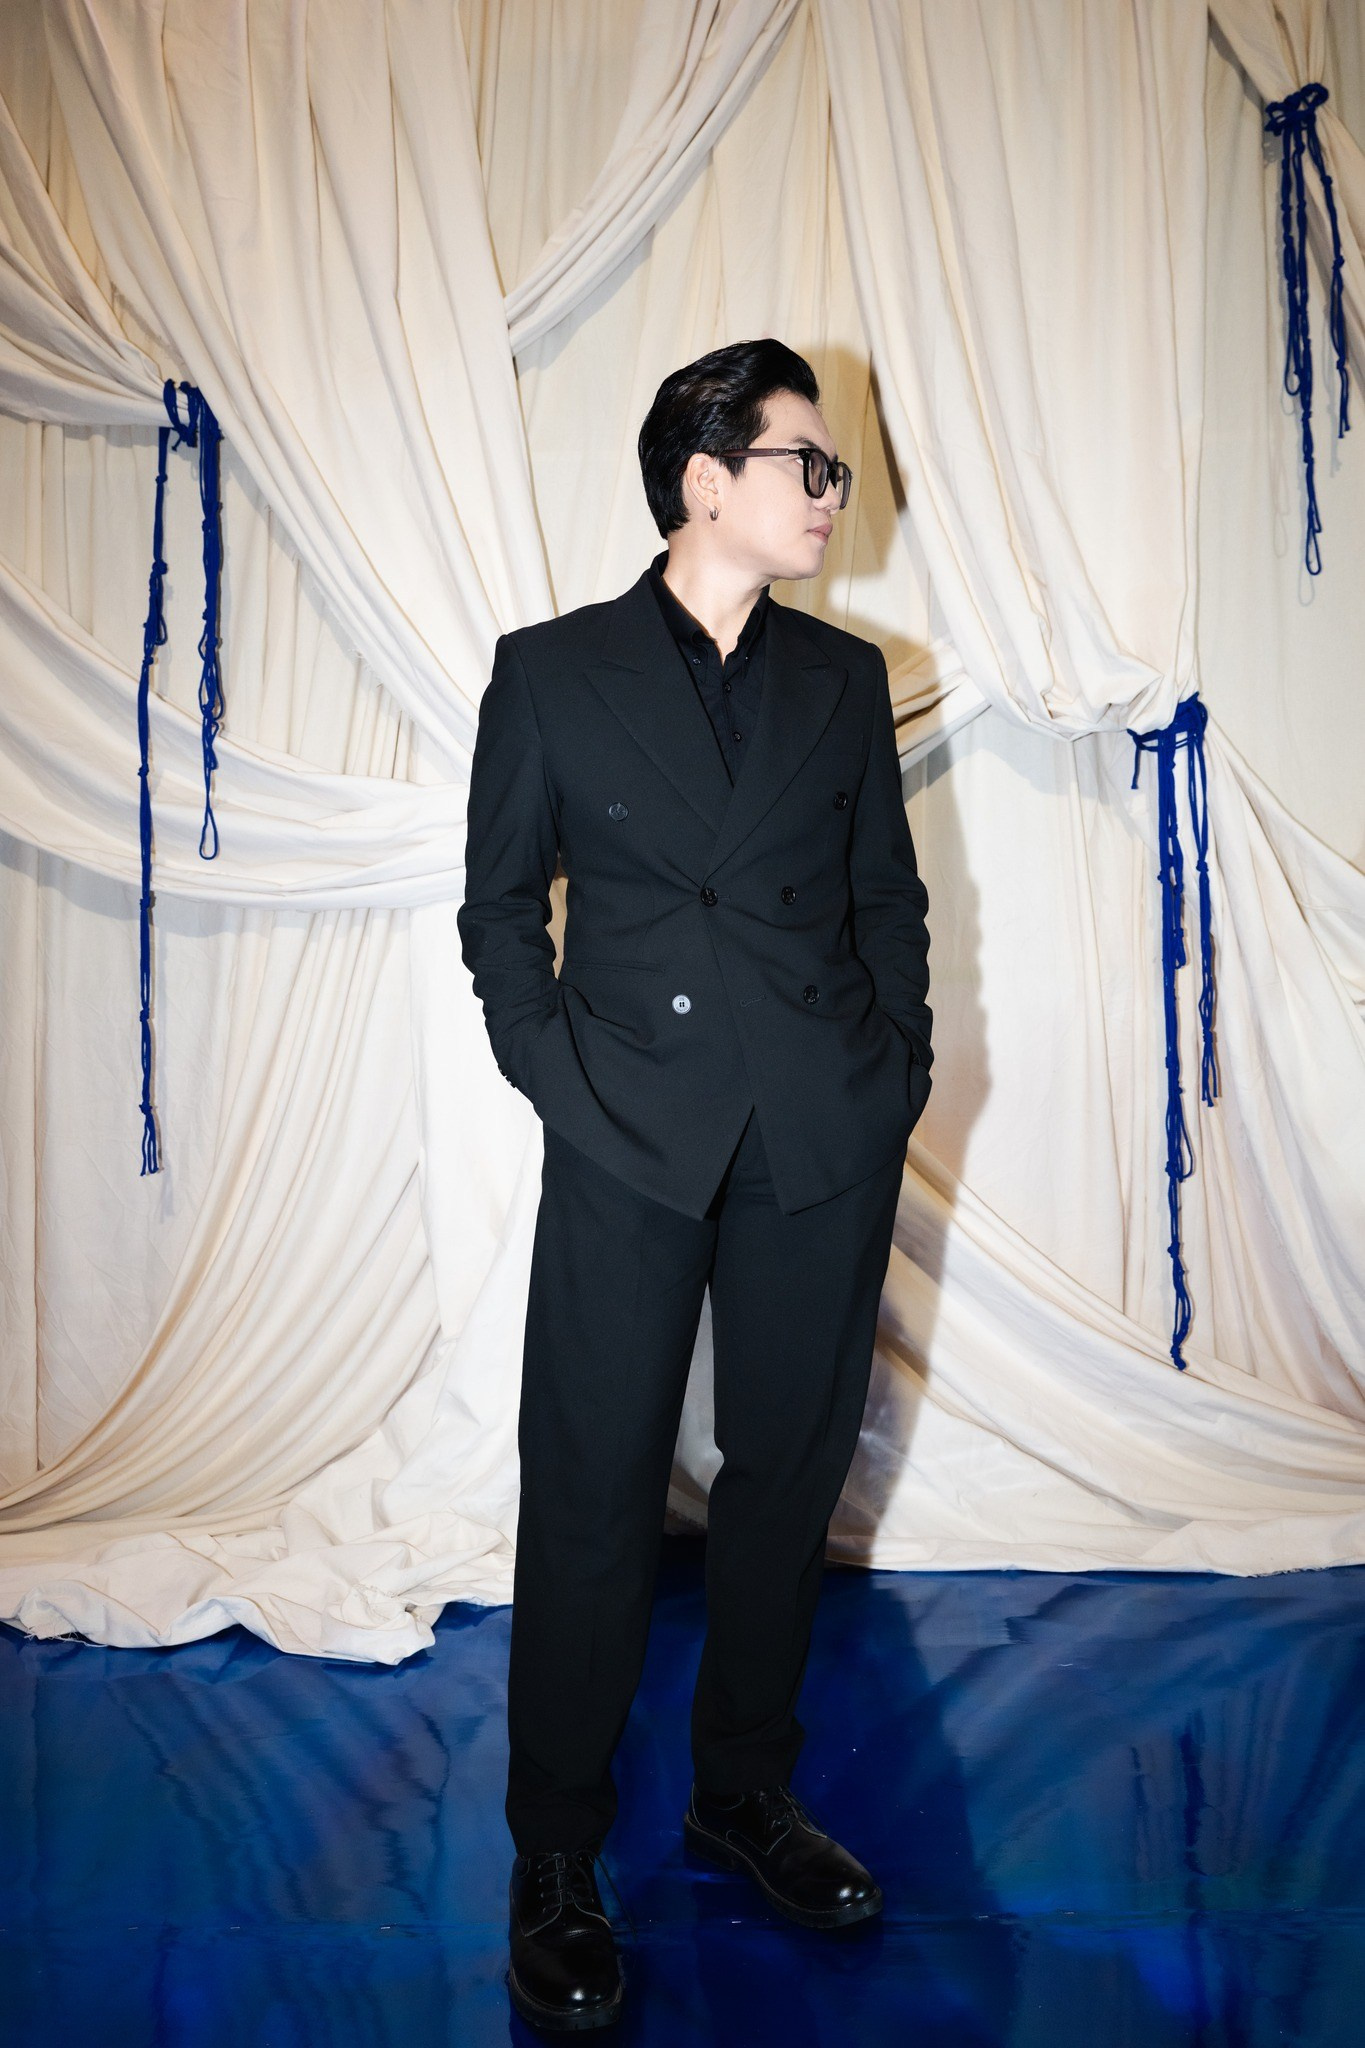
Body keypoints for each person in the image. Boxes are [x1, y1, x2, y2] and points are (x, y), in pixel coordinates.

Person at [457, 338, 933, 2033]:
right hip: (627, 1133)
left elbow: (886, 902)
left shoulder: (843, 680)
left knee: (787, 1477)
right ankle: (556, 1851)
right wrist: (560, 1084)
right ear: (705, 479)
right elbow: (497, 913)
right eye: (809, 464)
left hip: (817, 1135)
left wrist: (890, 1076)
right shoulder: (550, 672)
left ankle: (741, 1792)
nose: (831, 496)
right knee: (591, 1487)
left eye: (833, 472)